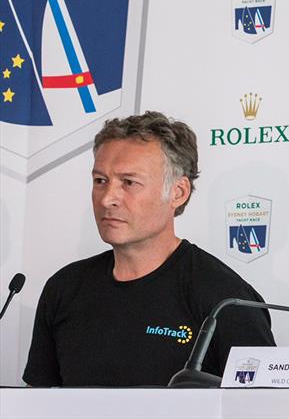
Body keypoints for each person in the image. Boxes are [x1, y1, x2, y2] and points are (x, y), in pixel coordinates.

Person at [23, 111, 275, 387]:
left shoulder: (225, 299)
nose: (108, 199)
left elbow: (263, 407)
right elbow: (38, 401)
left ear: (178, 192)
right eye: (100, 181)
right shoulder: (64, 287)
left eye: (129, 182)